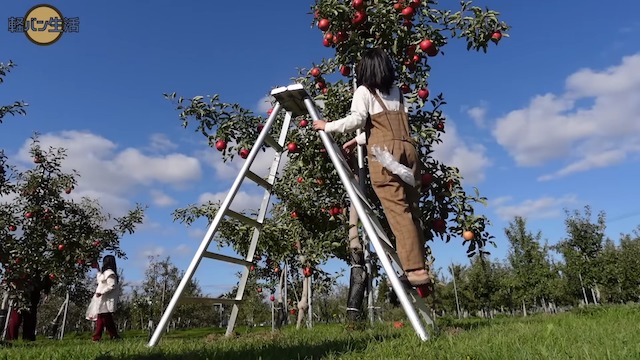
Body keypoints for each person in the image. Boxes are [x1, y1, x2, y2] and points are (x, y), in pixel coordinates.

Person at [313, 47, 430, 286]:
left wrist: (327, 126)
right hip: (408, 152)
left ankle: (415, 271)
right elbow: (392, 129)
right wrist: (359, 139)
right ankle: (421, 266)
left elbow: (358, 120)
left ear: (364, 70)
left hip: (385, 157)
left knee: (398, 211)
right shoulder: (397, 92)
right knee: (412, 210)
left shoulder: (364, 91)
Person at [6, 272, 52, 341]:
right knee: (16, 317)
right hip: (19, 290)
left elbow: (46, 273)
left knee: (30, 317)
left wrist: (46, 291)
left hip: (33, 291)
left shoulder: (39, 266)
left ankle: (28, 340)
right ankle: (11, 339)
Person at [87, 255, 121, 341]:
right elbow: (100, 280)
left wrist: (101, 292)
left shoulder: (110, 273)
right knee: (105, 318)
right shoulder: (106, 273)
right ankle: (114, 336)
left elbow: (112, 285)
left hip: (106, 299)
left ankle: (98, 336)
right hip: (102, 299)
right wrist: (98, 269)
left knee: (103, 318)